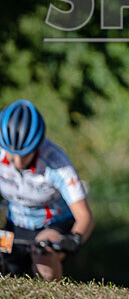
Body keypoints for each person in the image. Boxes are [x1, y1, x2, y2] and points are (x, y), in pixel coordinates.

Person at [0, 100, 94, 281]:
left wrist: (75, 238)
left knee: (44, 254)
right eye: (13, 154)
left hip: (53, 224)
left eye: (26, 154)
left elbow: (85, 217)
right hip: (16, 225)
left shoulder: (57, 163)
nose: (19, 163)